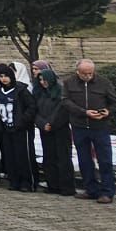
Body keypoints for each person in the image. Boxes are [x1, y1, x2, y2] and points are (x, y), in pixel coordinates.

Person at [63, 58, 116, 204]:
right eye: (84, 74)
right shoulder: (69, 82)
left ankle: (107, 191)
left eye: (90, 73)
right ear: (78, 72)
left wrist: (107, 111)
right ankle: (91, 189)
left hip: (99, 127)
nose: (88, 76)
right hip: (79, 126)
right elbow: (65, 101)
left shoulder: (103, 82)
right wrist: (84, 112)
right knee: (84, 159)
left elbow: (115, 102)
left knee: (105, 160)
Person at [33, 67, 75, 196]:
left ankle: (66, 187)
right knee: (49, 158)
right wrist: (42, 124)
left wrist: (51, 123)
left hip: (60, 130)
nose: (42, 82)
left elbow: (61, 111)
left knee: (63, 158)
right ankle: (53, 184)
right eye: (40, 80)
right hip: (45, 130)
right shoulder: (39, 94)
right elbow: (35, 111)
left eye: (44, 79)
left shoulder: (60, 93)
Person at [0, 63, 37, 192]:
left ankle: (27, 182)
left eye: (6, 76)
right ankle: (14, 180)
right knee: (10, 155)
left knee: (23, 156)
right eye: (1, 76)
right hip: (6, 128)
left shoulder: (21, 90)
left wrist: (22, 121)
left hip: (20, 129)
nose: (4, 79)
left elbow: (31, 107)